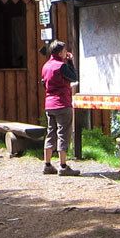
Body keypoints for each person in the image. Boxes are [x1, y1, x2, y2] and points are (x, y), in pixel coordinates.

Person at [41, 40, 80, 176]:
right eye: (64, 51)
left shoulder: (46, 66)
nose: (66, 52)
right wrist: (70, 62)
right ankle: (63, 166)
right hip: (62, 104)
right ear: (59, 53)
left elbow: (44, 83)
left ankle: (47, 165)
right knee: (63, 134)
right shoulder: (61, 66)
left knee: (50, 133)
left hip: (49, 104)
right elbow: (74, 77)